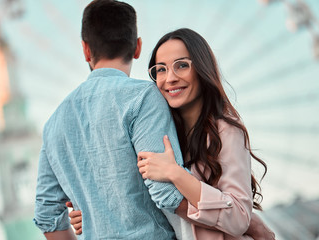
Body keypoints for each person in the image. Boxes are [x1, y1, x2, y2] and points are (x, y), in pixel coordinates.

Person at [68, 28, 276, 239]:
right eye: (161, 69)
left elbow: (239, 218)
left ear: (202, 68)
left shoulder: (225, 130)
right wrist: (92, 213)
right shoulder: (151, 132)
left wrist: (175, 173)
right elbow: (138, 197)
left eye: (182, 65)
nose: (170, 78)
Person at [33, 0, 187, 239]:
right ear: (137, 47)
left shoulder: (54, 123)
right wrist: (239, 219)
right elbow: (167, 194)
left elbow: (47, 216)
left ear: (86, 50)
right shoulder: (144, 97)